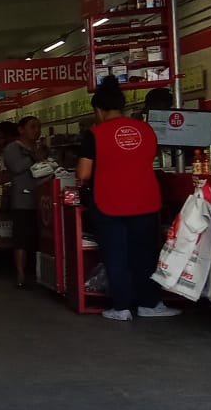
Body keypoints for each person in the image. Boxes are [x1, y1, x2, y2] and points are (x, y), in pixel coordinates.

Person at [76, 79, 180, 321]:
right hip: (145, 200)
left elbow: (83, 174)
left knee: (116, 255)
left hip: (109, 202)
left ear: (98, 110)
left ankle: (121, 307)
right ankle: (149, 304)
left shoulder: (94, 134)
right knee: (145, 254)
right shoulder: (146, 130)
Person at [3, 116, 46, 287]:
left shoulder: (38, 148)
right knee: (21, 238)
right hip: (22, 199)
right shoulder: (12, 148)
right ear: (21, 130)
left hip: (41, 199)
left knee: (38, 238)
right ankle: (20, 275)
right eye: (33, 127)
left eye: (38, 127)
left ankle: (39, 273)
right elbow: (16, 167)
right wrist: (34, 158)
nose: (36, 130)